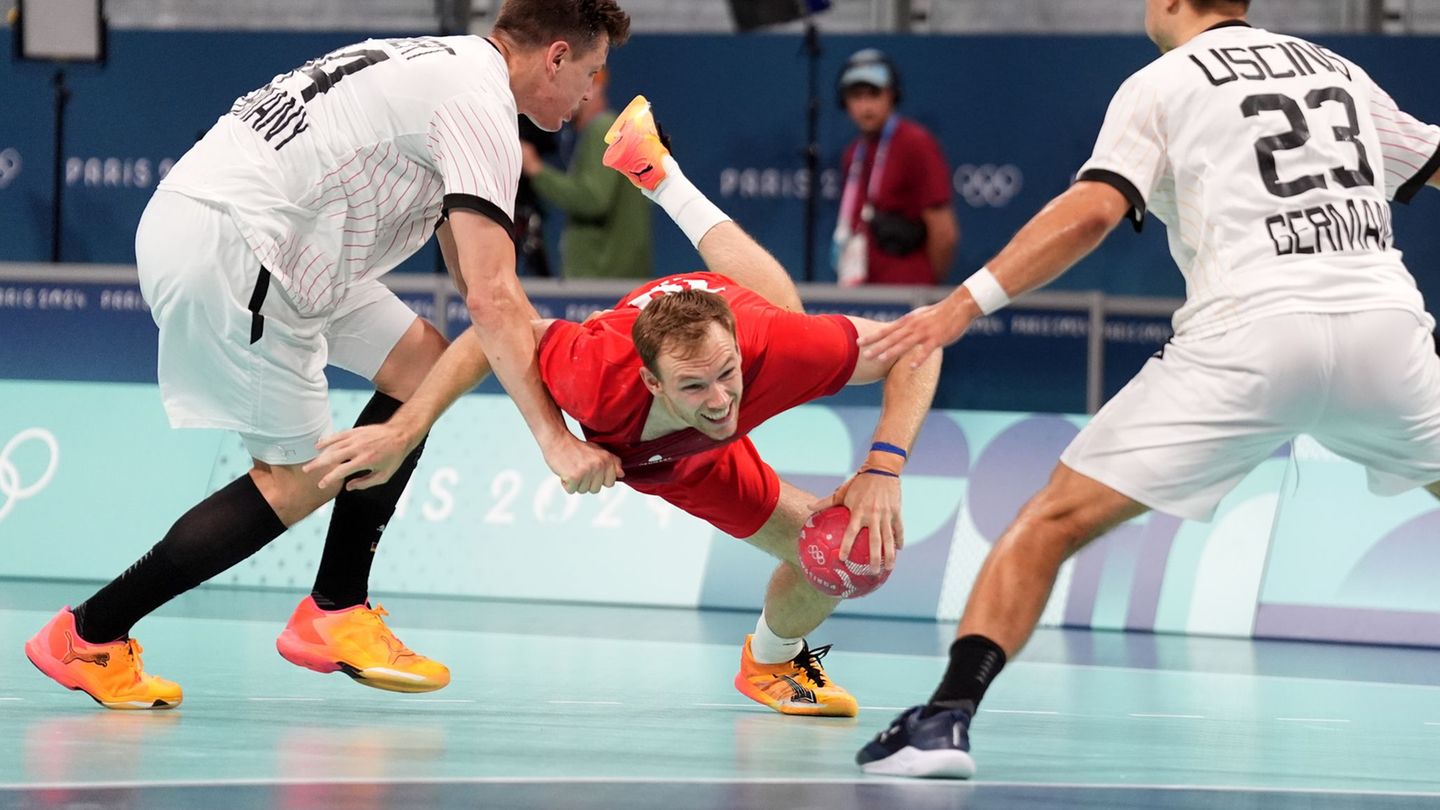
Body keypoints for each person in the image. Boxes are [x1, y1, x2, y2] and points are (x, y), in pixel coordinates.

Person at [853, 0, 1440, 778]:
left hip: (1248, 338)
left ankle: (945, 718)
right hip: (1385, 334)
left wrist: (961, 306)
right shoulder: (1341, 72)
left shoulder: (1160, 83)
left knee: (1050, 520)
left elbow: (1093, 211)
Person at [24, 0, 632, 710]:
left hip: (269, 233)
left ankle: (338, 606)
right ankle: (90, 633)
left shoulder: (443, 66)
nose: (588, 94)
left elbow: (481, 290)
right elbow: (493, 303)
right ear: (555, 56)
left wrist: (567, 378)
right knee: (295, 479)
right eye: (589, 74)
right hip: (247, 244)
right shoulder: (480, 104)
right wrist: (555, 441)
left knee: (422, 365)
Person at [305, 98, 943, 717]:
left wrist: (884, 468)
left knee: (848, 549)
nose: (720, 403)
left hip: (744, 334)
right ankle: (645, 178)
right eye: (695, 387)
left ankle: (772, 661)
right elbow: (490, 334)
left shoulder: (769, 353)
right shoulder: (595, 375)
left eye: (726, 378)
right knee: (777, 328)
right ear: (653, 382)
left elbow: (922, 342)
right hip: (674, 458)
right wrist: (413, 429)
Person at [833, 48, 958, 286]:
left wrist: (927, 290)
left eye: (874, 94)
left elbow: (944, 233)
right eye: (856, 96)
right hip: (862, 293)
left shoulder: (915, 143)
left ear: (892, 95)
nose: (865, 105)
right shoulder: (853, 153)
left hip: (908, 298)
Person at [522, 67, 653, 278]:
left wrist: (536, 169)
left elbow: (593, 199)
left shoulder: (603, 128)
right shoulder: (607, 129)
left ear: (592, 87)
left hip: (602, 281)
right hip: (610, 281)